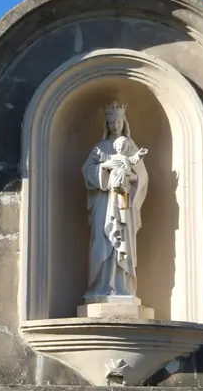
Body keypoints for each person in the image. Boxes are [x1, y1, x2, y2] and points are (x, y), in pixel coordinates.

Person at [81, 103, 149, 300]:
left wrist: (131, 177)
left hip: (122, 199)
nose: (115, 125)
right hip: (103, 202)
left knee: (122, 239)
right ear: (106, 124)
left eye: (118, 121)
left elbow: (141, 176)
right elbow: (87, 171)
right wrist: (105, 167)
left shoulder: (131, 147)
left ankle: (122, 286)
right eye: (111, 121)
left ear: (124, 123)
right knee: (104, 239)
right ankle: (102, 287)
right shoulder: (99, 148)